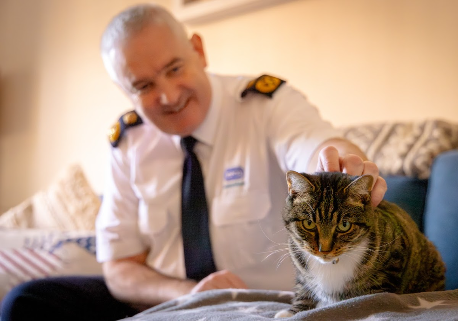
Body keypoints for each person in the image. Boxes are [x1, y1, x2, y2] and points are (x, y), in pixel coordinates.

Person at [0, 3, 386, 320]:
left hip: (270, 304)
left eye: (174, 69)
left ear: (198, 50)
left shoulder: (266, 103)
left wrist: (343, 165)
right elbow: (120, 268)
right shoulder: (127, 144)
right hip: (171, 303)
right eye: (144, 86)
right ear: (124, 90)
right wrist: (188, 293)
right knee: (27, 300)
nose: (168, 96)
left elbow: (315, 145)